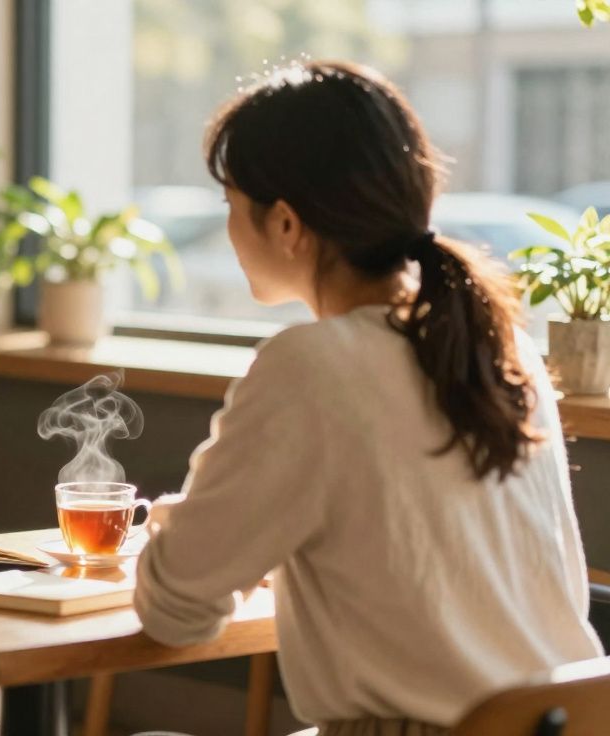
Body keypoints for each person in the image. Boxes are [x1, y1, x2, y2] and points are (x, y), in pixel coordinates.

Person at [134, 60, 604, 736]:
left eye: (232, 205)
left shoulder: (309, 366)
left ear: (288, 224)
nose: (229, 230)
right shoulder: (502, 348)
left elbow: (175, 612)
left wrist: (173, 522)